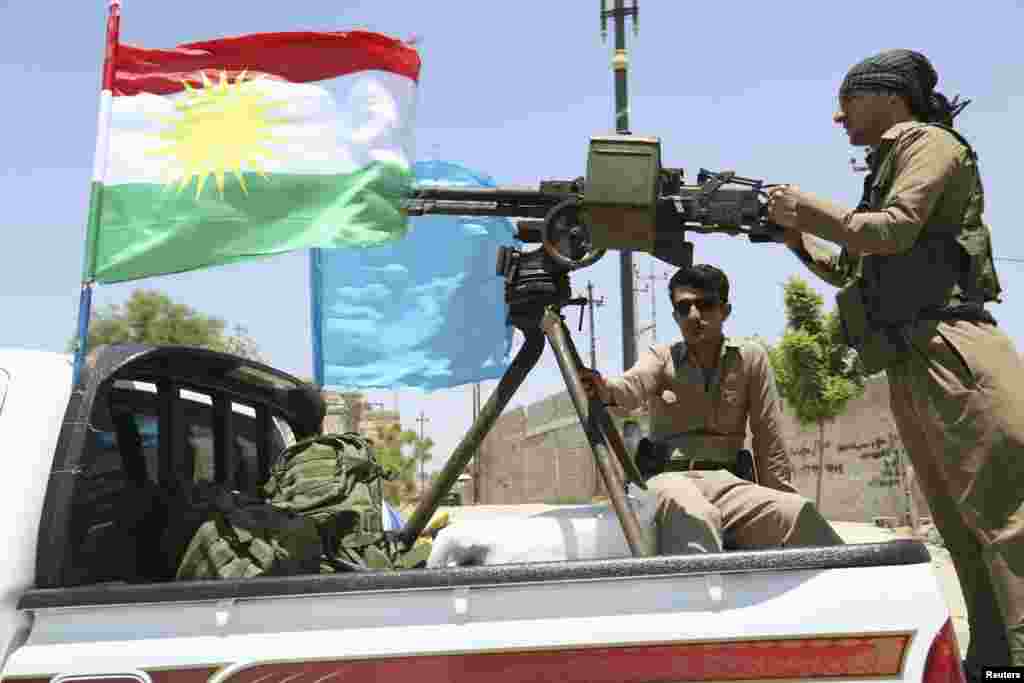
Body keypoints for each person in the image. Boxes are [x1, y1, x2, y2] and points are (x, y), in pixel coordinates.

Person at [766, 48, 1024, 670]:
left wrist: (807, 208)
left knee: (1003, 525)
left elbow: (892, 229)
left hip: (955, 353)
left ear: (887, 97)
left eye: (848, 100)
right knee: (960, 533)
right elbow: (854, 265)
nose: (838, 118)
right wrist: (796, 238)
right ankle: (993, 661)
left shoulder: (929, 142)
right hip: (914, 357)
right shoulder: (884, 168)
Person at [580, 264, 843, 556]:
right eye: (684, 308)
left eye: (705, 305)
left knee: (797, 515)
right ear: (675, 316)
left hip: (728, 484)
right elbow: (628, 388)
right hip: (668, 481)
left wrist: (776, 496)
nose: (694, 315)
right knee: (695, 517)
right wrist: (603, 389)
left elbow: (769, 439)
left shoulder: (750, 358)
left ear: (725, 311)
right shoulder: (661, 358)